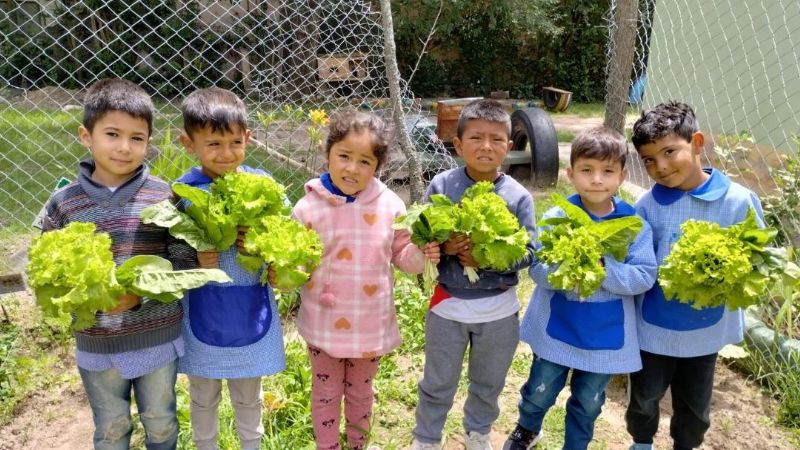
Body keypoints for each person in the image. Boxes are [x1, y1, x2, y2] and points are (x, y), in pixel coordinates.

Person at [42, 78, 191, 450]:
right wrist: (82, 297)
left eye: (137, 138)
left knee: (162, 423)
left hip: (156, 334)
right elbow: (47, 273)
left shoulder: (164, 195)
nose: (124, 147)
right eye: (112, 134)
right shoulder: (63, 204)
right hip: (97, 341)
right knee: (111, 428)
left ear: (149, 143)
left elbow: (184, 262)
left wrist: (139, 296)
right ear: (85, 135)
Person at [292, 108, 440, 450]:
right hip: (323, 322)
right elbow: (296, 262)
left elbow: (403, 257)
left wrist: (421, 254)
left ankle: (358, 444)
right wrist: (289, 271)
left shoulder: (389, 205)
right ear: (327, 152)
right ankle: (327, 446)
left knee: (361, 392)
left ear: (378, 167)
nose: (352, 169)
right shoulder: (307, 208)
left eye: (365, 162)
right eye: (344, 156)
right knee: (326, 392)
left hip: (369, 322)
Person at [503, 127, 657, 450]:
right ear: (571, 174)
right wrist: (564, 273)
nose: (597, 180)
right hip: (558, 325)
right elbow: (539, 266)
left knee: (589, 400)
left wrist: (603, 269)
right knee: (540, 388)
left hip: (605, 336)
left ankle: (577, 444)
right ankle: (528, 428)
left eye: (607, 171)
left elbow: (644, 276)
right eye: (587, 170)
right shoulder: (560, 216)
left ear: (622, 176)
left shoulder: (633, 225)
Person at [625, 101, 765, 450]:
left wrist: (730, 272)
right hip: (653, 329)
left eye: (670, 151)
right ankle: (642, 442)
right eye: (649, 160)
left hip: (705, 330)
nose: (660, 166)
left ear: (698, 142)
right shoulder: (646, 206)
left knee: (695, 408)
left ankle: (686, 446)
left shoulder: (738, 201)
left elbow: (757, 260)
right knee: (643, 399)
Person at [410, 99, 536, 450]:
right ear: (458, 144)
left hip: (499, 310)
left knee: (488, 382)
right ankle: (427, 438)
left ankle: (478, 434)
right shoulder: (441, 186)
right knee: (437, 381)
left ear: (509, 147)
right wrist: (443, 248)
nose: (486, 146)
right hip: (447, 306)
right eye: (476, 138)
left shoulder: (518, 197)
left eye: (496, 139)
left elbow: (529, 251)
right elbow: (421, 233)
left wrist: (486, 258)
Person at [176, 87, 286, 450]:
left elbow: (289, 232)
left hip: (249, 305)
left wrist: (265, 246)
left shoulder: (263, 186)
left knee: (248, 395)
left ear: (248, 138)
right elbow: (168, 248)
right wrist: (194, 257)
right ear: (188, 143)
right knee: (202, 395)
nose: (226, 154)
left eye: (235, 142)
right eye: (213, 144)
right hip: (202, 309)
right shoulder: (183, 193)